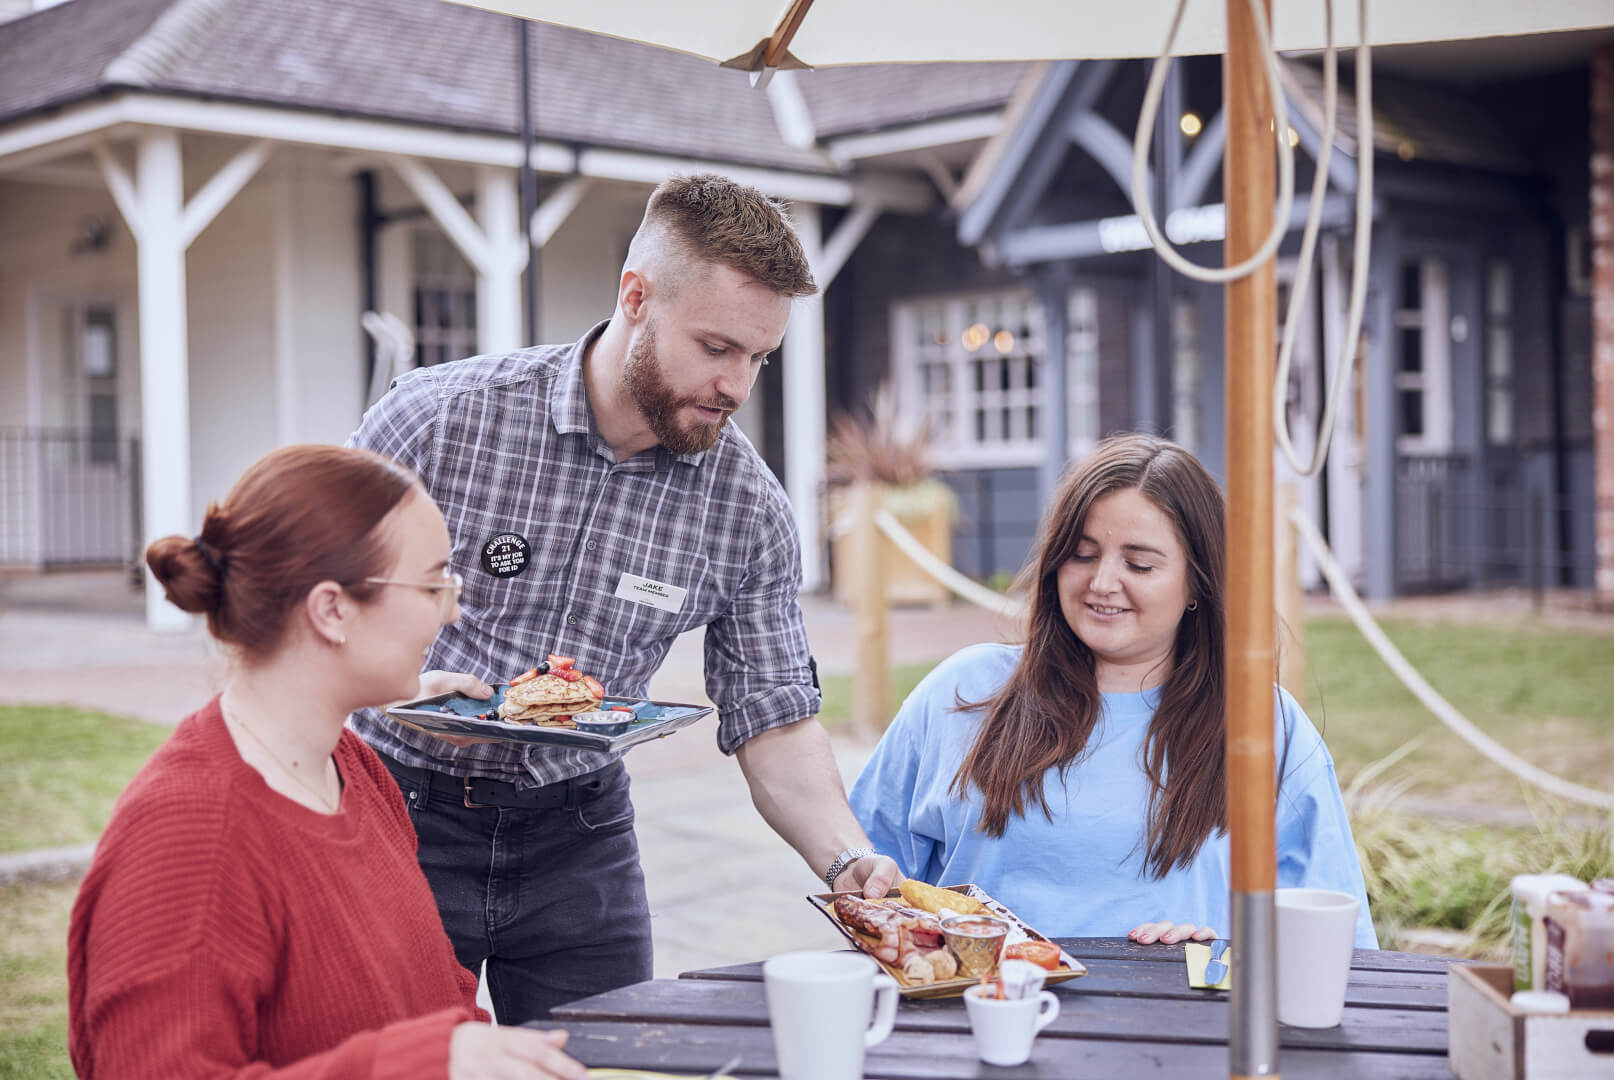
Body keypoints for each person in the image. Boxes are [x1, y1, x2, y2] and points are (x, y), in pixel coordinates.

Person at [347, 173, 902, 1022]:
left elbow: (774, 717)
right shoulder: (438, 418)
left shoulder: (747, 508)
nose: (736, 386)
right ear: (635, 297)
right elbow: (307, 608)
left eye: (759, 357)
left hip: (581, 836)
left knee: (605, 1061)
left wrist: (845, 862)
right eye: (716, 347)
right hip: (398, 809)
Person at [67, 445, 585, 1080]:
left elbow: (433, 1000)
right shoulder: (187, 833)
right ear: (332, 610)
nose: (453, 610)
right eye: (431, 583)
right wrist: (421, 1064)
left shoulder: (355, 770)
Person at [849, 433, 1378, 949]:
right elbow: (866, 881)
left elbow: (1332, 944)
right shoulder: (961, 692)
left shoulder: (1262, 725)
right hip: (982, 1022)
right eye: (1082, 555)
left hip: (1181, 1029)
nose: (1102, 582)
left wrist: (1225, 952)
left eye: (1139, 564)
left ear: (1198, 581)